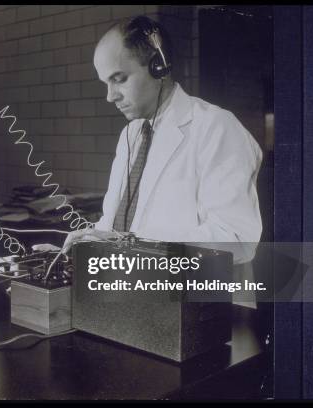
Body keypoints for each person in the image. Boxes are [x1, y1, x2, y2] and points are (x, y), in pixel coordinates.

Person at [62, 15, 263, 268]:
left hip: (195, 299)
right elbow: (117, 225)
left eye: (119, 79)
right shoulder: (130, 135)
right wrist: (92, 240)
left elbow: (236, 239)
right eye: (106, 83)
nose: (110, 96)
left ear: (159, 67)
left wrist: (137, 245)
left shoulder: (217, 127)